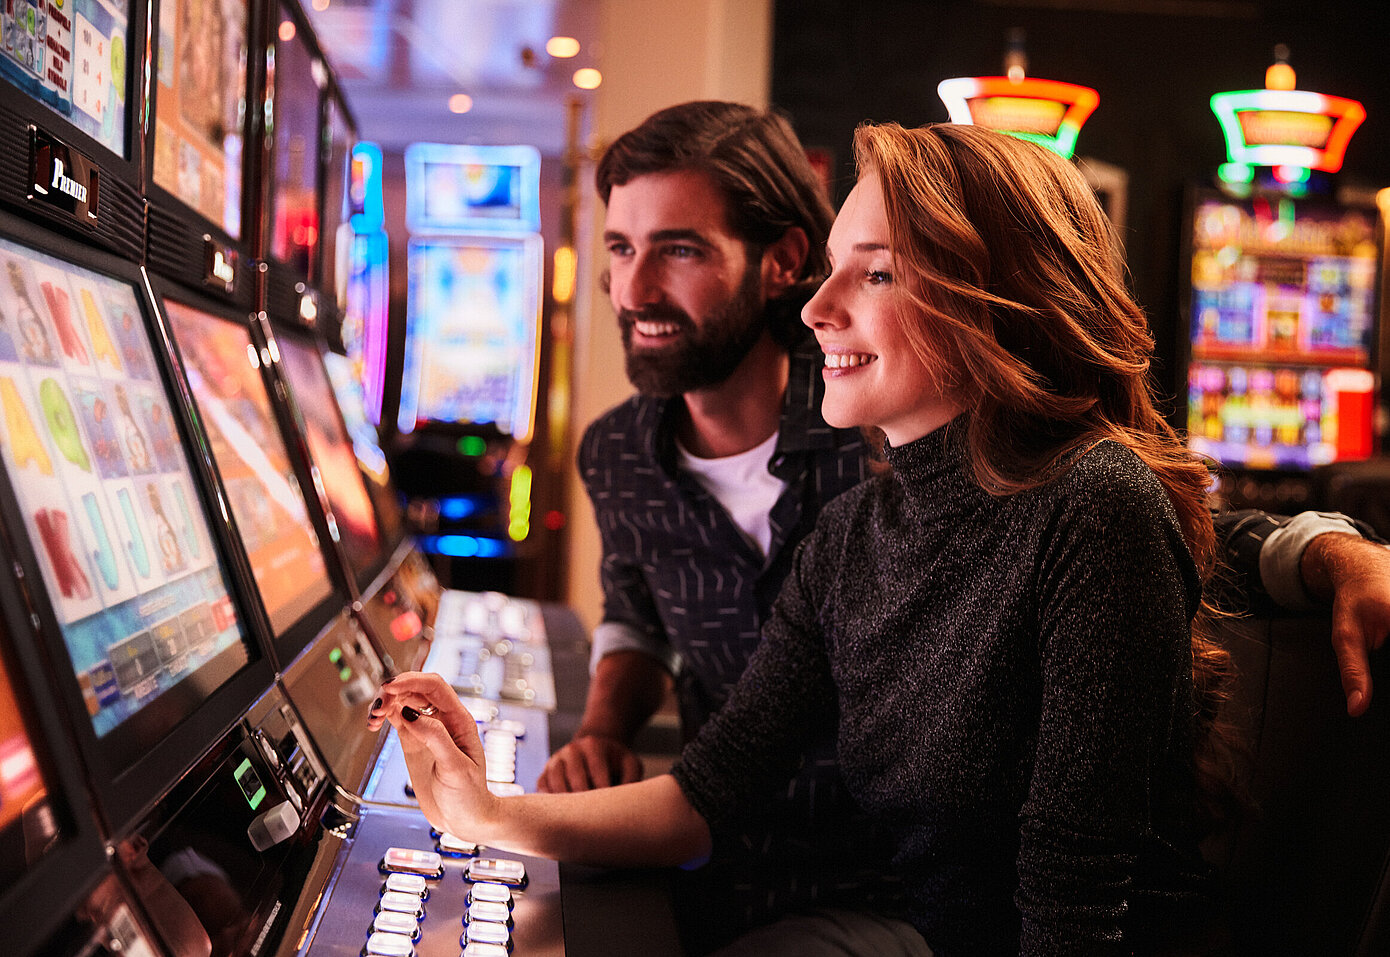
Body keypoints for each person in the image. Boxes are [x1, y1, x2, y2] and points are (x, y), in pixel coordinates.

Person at [372, 121, 1344, 956]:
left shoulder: (1092, 503)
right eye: (834, 266)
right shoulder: (854, 533)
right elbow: (707, 792)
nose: (815, 308)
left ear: (990, 294)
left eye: (873, 271)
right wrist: (484, 813)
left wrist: (1329, 547)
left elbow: (1073, 898)